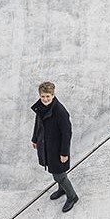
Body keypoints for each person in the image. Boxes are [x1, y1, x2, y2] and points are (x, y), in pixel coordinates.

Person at [30, 81, 79, 212]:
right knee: (54, 171)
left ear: (53, 95)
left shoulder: (60, 111)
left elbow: (67, 133)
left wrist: (64, 153)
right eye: (43, 96)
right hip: (47, 146)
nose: (45, 99)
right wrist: (35, 139)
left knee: (60, 175)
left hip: (57, 149)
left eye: (48, 96)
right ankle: (61, 189)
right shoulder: (40, 107)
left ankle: (72, 196)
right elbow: (38, 124)